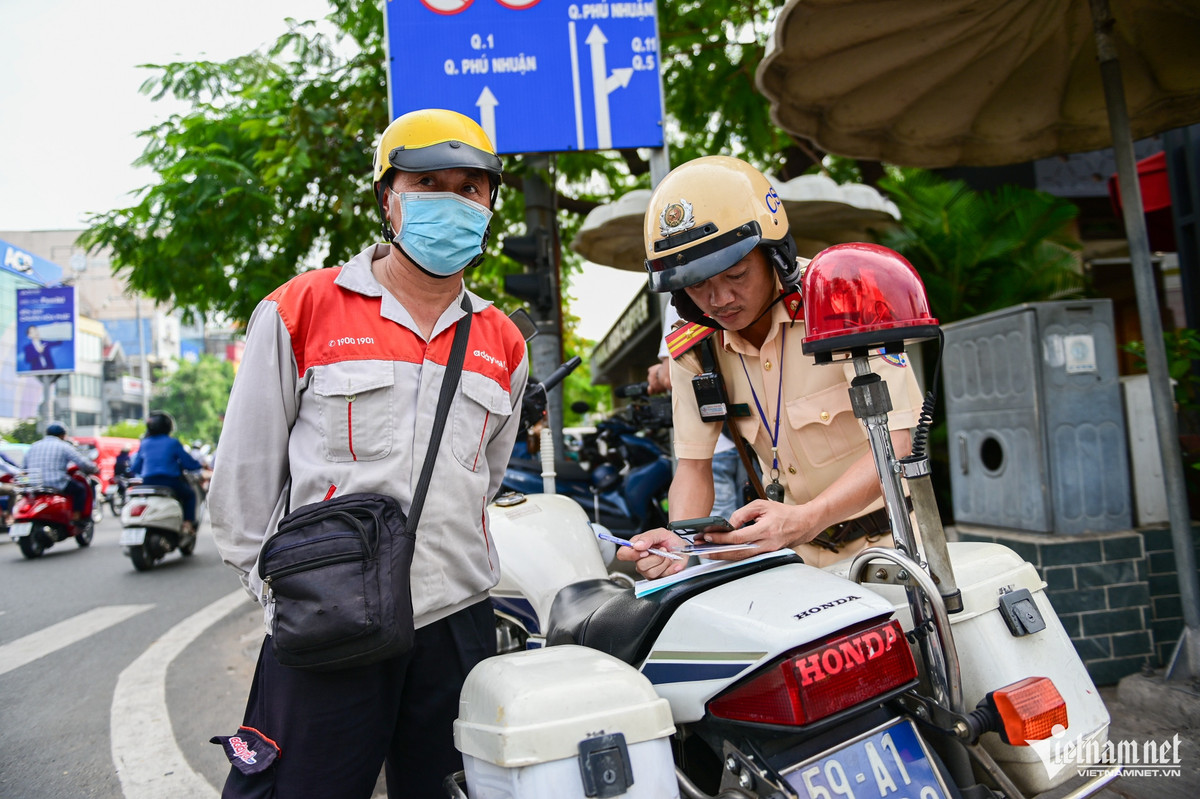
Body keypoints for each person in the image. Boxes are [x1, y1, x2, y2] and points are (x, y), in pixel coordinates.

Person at [209, 108, 529, 799]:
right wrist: (284, 599)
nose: (451, 201)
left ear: (490, 204)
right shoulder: (302, 308)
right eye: (428, 183)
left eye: (470, 188)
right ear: (388, 198)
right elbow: (241, 487)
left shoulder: (504, 341)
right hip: (327, 619)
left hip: (456, 623)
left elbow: (484, 478)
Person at [619, 155, 925, 579]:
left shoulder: (840, 298)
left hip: (890, 548)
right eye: (698, 285)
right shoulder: (694, 348)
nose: (720, 299)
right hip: (795, 562)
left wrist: (807, 518)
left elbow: (897, 443)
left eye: (736, 274)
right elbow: (693, 464)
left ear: (774, 254)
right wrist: (680, 541)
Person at [647, 302, 747, 520]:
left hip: (716, 442)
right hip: (748, 437)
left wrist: (656, 374)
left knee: (717, 526)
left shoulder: (682, 299)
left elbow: (669, 376)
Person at [133, 412, 203, 534]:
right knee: (190, 496)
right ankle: (187, 523)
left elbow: (136, 468)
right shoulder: (172, 443)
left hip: (148, 483)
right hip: (170, 482)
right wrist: (200, 465)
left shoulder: (144, 443)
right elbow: (189, 464)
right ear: (168, 426)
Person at [23, 422, 97, 522]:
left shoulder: (33, 446)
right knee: (80, 489)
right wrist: (94, 468)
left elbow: (24, 468)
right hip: (57, 483)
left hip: (35, 485)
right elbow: (82, 462)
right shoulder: (63, 446)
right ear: (62, 435)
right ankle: (76, 518)